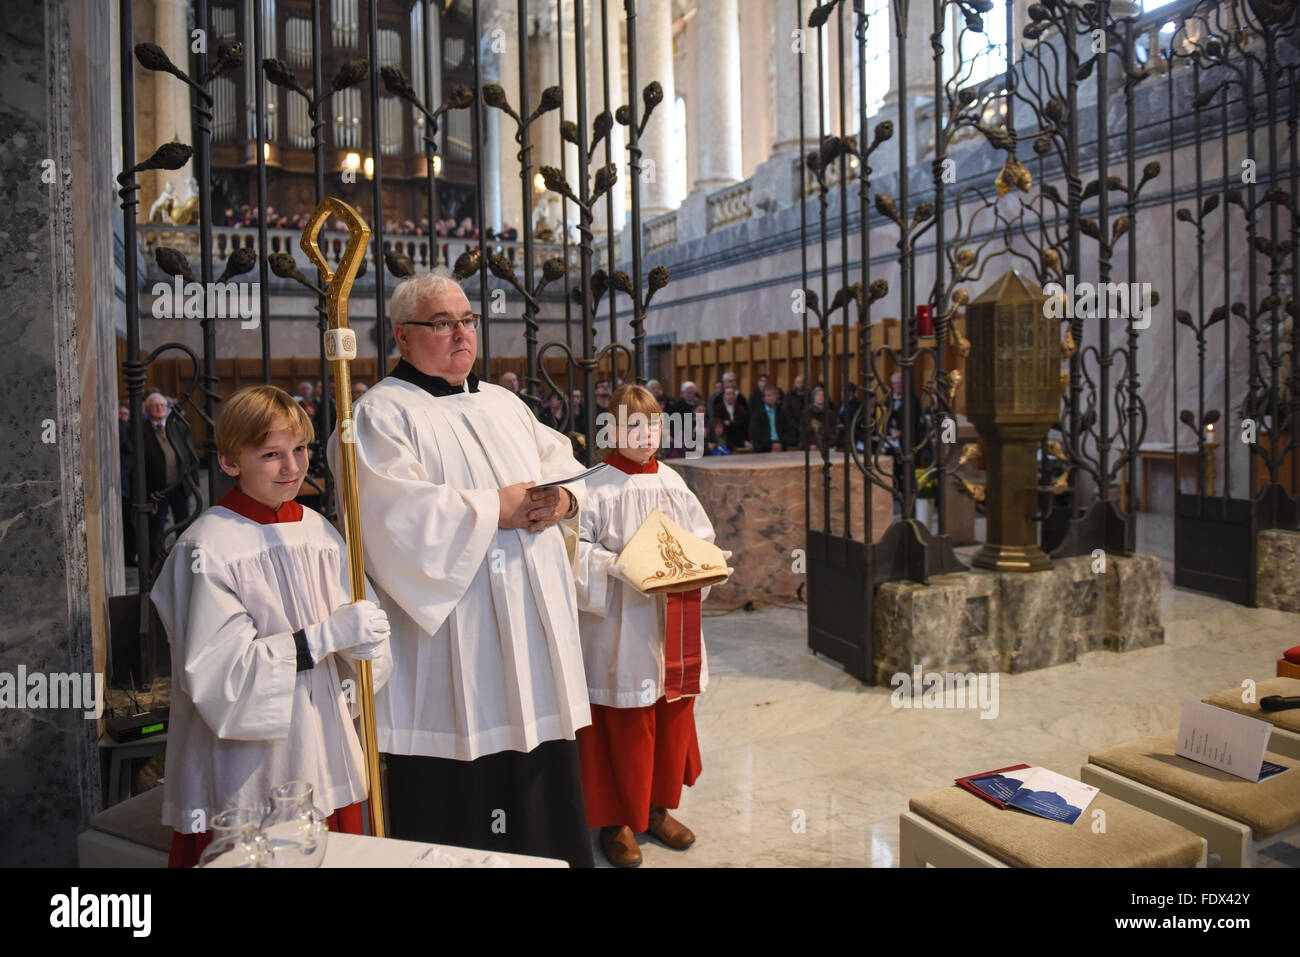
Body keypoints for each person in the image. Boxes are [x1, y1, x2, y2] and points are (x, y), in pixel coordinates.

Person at [327, 272, 594, 867]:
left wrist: (564, 502)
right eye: (442, 323)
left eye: (467, 320)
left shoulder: (505, 403)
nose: (460, 333)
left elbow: (571, 473)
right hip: (454, 639)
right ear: (402, 334)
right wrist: (490, 508)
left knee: (539, 763)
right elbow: (387, 515)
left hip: (530, 632)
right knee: (464, 791)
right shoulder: (379, 414)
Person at [150, 385, 393, 868]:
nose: (294, 467)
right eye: (271, 455)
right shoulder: (207, 548)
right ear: (229, 462)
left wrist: (365, 647)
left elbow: (354, 637)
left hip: (321, 742)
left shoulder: (320, 532)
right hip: (248, 762)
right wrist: (327, 637)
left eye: (300, 449)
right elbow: (222, 678)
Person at [573, 384, 722, 867]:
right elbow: (573, 553)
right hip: (619, 624)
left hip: (669, 623)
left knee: (667, 712)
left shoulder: (674, 483)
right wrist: (615, 568)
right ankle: (615, 820)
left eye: (653, 423)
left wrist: (710, 562)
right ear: (612, 429)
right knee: (624, 720)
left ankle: (656, 810)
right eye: (633, 424)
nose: (645, 433)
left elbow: (700, 539)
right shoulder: (592, 484)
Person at [142, 392, 198, 567]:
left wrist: (193, 483)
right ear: (147, 409)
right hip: (157, 487)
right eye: (155, 406)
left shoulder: (176, 426)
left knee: (184, 522)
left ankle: (184, 561)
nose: (160, 408)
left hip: (180, 484)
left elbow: (189, 455)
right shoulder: (142, 429)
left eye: (162, 405)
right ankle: (156, 563)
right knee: (157, 525)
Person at [709, 383, 749, 451]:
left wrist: (730, 423)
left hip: (739, 437)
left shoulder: (740, 407)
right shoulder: (718, 408)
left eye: (733, 394)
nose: (731, 396)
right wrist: (731, 423)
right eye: (728, 394)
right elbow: (717, 423)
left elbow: (744, 422)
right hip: (725, 437)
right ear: (724, 396)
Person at [748, 385, 785, 453]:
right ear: (763, 398)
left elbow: (788, 430)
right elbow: (754, 433)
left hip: (781, 445)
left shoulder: (782, 411)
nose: (771, 398)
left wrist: (781, 443)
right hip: (764, 447)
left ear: (777, 396)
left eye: (773, 395)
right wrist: (771, 445)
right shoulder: (757, 413)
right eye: (768, 396)